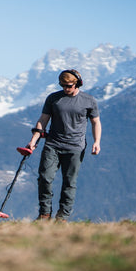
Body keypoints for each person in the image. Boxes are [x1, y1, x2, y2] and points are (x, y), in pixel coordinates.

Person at [26, 69, 101, 222]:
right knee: (45, 178)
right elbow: (43, 120)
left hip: (75, 147)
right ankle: (44, 214)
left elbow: (95, 122)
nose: (66, 89)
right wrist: (33, 141)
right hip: (53, 144)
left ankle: (62, 217)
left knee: (69, 182)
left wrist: (96, 142)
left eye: (69, 86)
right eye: (63, 86)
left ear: (77, 83)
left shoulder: (89, 100)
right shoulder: (53, 98)